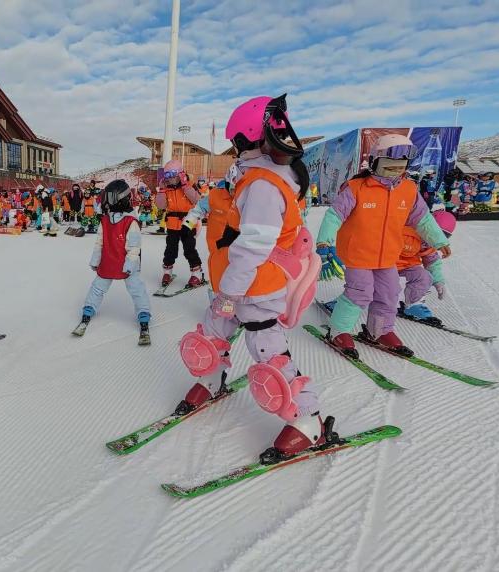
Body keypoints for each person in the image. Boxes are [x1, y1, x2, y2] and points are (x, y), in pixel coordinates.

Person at [175, 94, 327, 463]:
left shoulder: (263, 186)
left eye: (236, 145)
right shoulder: (252, 179)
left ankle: (309, 419)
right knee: (213, 330)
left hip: (255, 288)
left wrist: (229, 290)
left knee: (266, 349)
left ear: (248, 140)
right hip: (237, 284)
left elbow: (253, 246)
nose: (234, 152)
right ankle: (212, 378)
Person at [316, 133, 451, 358]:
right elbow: (334, 215)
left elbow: (423, 219)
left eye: (400, 166)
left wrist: (439, 240)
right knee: (360, 293)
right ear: (375, 162)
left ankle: (379, 330)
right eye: (388, 165)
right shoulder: (357, 187)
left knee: (388, 293)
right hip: (358, 254)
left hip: (387, 256)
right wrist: (324, 239)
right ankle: (339, 331)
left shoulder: (408, 190)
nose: (394, 171)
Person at [78, 179, 151, 341]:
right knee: (97, 287)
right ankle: (89, 309)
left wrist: (130, 265)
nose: (106, 201)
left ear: (120, 199)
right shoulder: (105, 220)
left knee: (136, 289)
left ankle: (144, 313)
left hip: (127, 265)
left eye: (110, 197)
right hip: (109, 261)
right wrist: (95, 261)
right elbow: (100, 242)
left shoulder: (130, 222)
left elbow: (134, 247)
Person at [398, 210, 456, 325]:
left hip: (408, 265)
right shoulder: (406, 232)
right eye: (436, 234)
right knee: (389, 284)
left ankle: (414, 305)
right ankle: (382, 302)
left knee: (424, 276)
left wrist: (438, 281)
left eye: (444, 236)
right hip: (386, 263)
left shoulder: (429, 244)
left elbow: (432, 261)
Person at [154, 159, 204, 288]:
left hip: (188, 223)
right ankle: (167, 272)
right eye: (167, 175)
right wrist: (161, 191)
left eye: (173, 174)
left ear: (180, 173)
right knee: (170, 250)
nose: (170, 178)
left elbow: (197, 200)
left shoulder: (190, 185)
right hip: (172, 224)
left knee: (189, 249)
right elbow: (161, 206)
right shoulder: (166, 188)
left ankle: (196, 273)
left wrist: (185, 186)